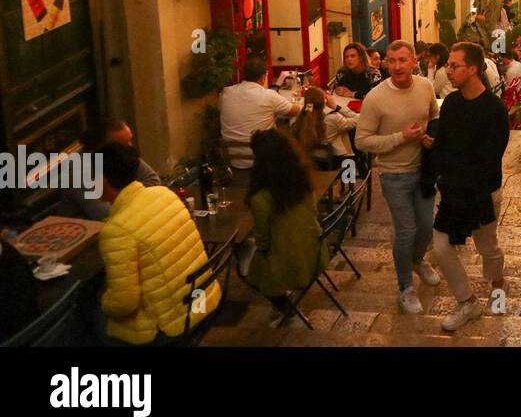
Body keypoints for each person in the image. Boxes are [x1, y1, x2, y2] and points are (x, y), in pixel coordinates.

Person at [96, 142, 219, 344]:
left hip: (173, 324)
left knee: (88, 316)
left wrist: (103, 301)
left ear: (104, 180)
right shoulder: (163, 194)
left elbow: (124, 304)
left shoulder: (117, 230)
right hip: (202, 301)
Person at [427, 42, 511, 332]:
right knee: (440, 248)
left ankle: (497, 283)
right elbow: (444, 144)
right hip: (452, 190)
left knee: (487, 246)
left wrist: (457, 173)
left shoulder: (495, 109)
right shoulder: (450, 103)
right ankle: (468, 300)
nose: (447, 71)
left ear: (473, 69)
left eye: (454, 66)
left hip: (481, 192)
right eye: (447, 65)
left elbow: (490, 158)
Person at [354, 40, 440, 315]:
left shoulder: (425, 86)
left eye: (403, 60)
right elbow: (362, 141)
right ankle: (406, 288)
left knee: (427, 227)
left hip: (423, 171)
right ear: (385, 63)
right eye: (392, 61)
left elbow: (434, 118)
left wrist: (429, 137)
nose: (397, 66)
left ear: (415, 61)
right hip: (394, 176)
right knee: (406, 231)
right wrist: (400, 138)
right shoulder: (375, 98)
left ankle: (417, 260)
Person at [243, 130, 330, 328]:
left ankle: (290, 311)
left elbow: (264, 242)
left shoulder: (261, 199)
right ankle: (284, 303)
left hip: (291, 264)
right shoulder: (303, 183)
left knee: (247, 264)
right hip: (316, 253)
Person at [62, 119, 162, 221]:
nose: (130, 147)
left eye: (130, 140)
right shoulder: (78, 173)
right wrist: (139, 197)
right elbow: (106, 215)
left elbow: (153, 180)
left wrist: (126, 197)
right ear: (103, 148)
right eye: (123, 144)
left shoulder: (123, 152)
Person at [220, 57, 302, 171]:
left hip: (234, 158)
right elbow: (295, 111)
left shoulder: (226, 93)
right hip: (262, 159)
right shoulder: (268, 96)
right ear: (263, 76)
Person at [294, 87, 358, 170]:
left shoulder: (299, 118)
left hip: (308, 160)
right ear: (324, 102)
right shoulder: (332, 119)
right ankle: (355, 172)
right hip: (332, 161)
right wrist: (336, 106)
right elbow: (358, 119)